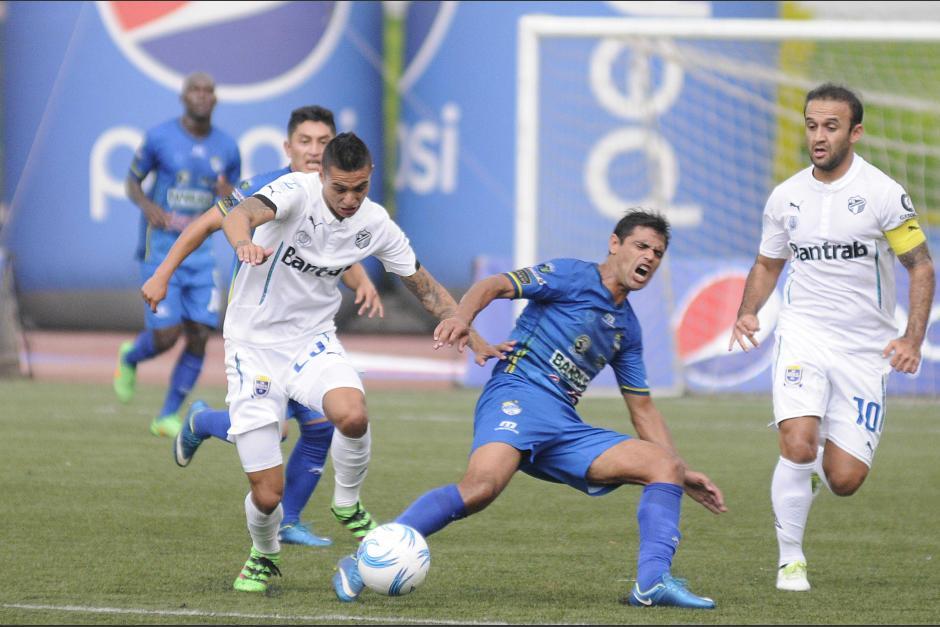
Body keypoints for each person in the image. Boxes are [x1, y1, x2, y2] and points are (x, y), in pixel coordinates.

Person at [333, 210, 727, 609]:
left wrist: (681, 468)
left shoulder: (627, 328)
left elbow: (642, 409)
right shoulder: (572, 275)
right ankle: (361, 559)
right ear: (615, 244)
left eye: (657, 253)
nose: (649, 258)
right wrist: (462, 319)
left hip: (563, 425)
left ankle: (651, 583)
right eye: (641, 246)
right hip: (518, 393)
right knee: (481, 489)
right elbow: (494, 285)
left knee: (664, 467)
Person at [220, 131, 507, 593]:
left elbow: (423, 284)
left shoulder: (375, 222)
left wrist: (471, 335)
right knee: (268, 493)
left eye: (359, 188)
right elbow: (242, 214)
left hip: (311, 341)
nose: (350, 199)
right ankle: (264, 552)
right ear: (322, 176)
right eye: (340, 188)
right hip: (251, 346)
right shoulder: (296, 190)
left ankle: (347, 503)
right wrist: (243, 244)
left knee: (352, 414)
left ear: (369, 177)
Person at [141, 105, 383, 548]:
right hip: (259, 335)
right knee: (276, 432)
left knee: (322, 424)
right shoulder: (266, 188)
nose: (315, 151)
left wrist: (361, 277)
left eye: (323, 142)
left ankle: (288, 520)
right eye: (306, 142)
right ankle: (201, 422)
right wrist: (162, 274)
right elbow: (207, 224)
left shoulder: (335, 195)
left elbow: (330, 250)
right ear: (288, 147)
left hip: (306, 337)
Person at [727, 83, 935, 592]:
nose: (818, 136)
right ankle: (790, 559)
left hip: (865, 349)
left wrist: (911, 338)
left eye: (831, 126)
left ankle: (814, 475)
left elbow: (921, 266)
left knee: (845, 479)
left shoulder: (884, 194)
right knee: (796, 442)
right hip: (804, 335)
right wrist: (747, 311)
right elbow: (768, 261)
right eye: (812, 125)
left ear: (855, 132)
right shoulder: (786, 196)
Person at [114, 71, 241, 438]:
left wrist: (228, 192)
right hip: (162, 249)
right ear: (183, 98)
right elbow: (132, 181)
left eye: (208, 90)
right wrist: (147, 206)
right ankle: (131, 356)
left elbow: (234, 199)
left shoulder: (228, 148)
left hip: (201, 257)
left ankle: (167, 415)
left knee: (200, 332)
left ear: (215, 99)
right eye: (195, 90)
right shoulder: (159, 138)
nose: (202, 96)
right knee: (166, 336)